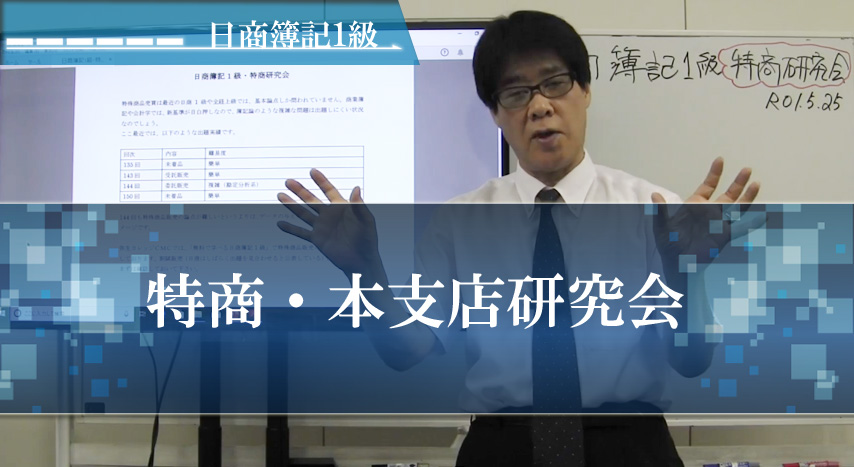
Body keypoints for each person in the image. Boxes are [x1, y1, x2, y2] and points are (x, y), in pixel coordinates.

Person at [276, 10, 760, 466]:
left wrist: (686, 272)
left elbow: (692, 360)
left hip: (630, 446)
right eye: (516, 93)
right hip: (501, 446)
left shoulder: (656, 212)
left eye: (555, 83)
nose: (540, 107)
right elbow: (407, 351)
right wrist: (366, 272)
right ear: (495, 112)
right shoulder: (458, 221)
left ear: (585, 90)